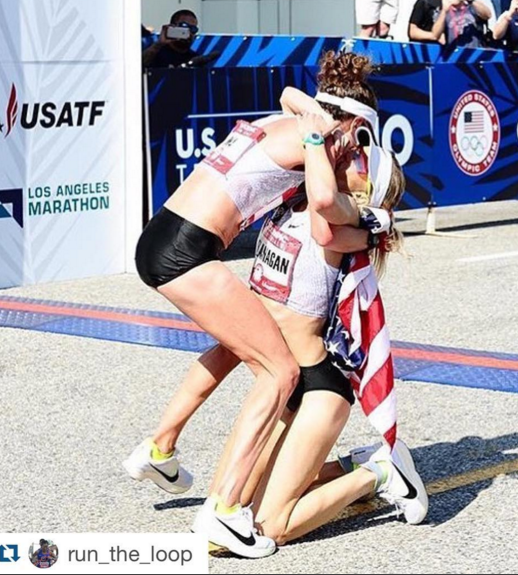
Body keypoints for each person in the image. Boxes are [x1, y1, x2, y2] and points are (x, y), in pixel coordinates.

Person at [128, 51, 381, 558]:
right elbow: (325, 208)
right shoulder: (317, 137)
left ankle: (160, 447)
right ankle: (224, 511)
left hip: (166, 234)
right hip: (187, 249)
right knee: (279, 373)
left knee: (235, 347)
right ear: (352, 126)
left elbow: (290, 94)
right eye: (359, 143)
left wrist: (315, 119)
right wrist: (373, 224)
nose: (354, 155)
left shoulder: (290, 116)